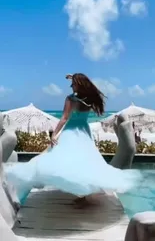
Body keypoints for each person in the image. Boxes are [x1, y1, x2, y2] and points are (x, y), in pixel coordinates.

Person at [4, 73, 144, 208]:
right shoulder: (89, 99)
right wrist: (75, 78)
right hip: (84, 130)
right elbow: (81, 95)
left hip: (71, 130)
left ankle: (78, 192)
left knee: (65, 160)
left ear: (78, 85)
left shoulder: (71, 99)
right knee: (85, 161)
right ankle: (82, 195)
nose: (71, 87)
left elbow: (64, 118)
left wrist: (54, 134)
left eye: (73, 85)